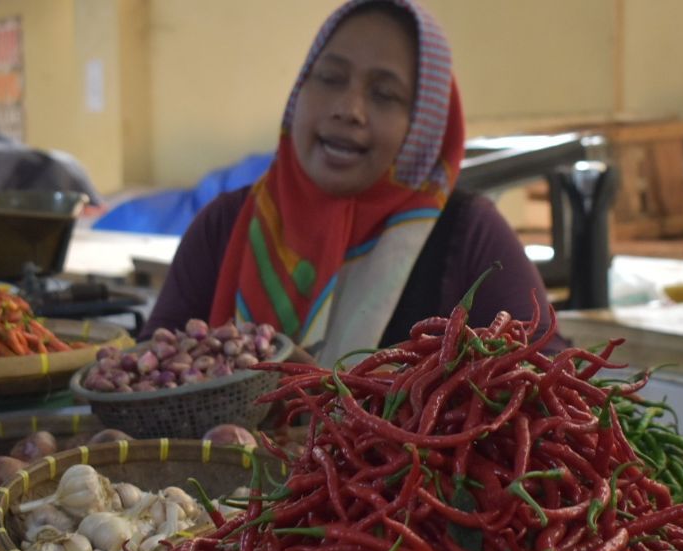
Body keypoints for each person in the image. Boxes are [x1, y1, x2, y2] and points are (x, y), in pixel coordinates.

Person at [145, 0, 565, 364]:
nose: (349, 109)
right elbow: (145, 373)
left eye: (384, 94)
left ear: (422, 124)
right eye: (330, 78)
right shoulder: (223, 226)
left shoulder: (469, 234)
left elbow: (548, 382)